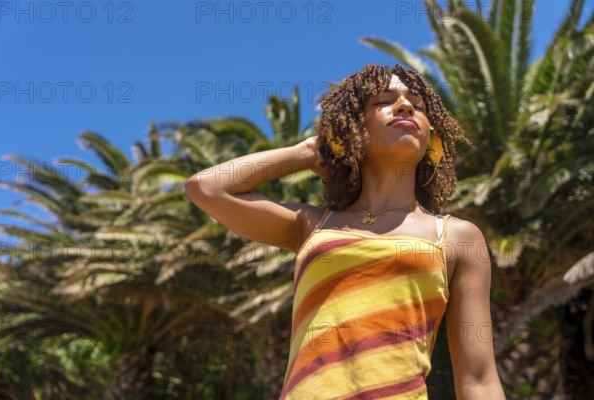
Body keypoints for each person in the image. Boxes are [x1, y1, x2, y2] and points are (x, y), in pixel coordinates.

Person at [186, 64, 506, 399]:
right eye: (383, 100)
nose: (405, 105)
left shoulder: (457, 237)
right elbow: (206, 187)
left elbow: (478, 379)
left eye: (418, 104)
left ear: (431, 137)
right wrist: (309, 151)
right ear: (351, 130)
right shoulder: (312, 225)